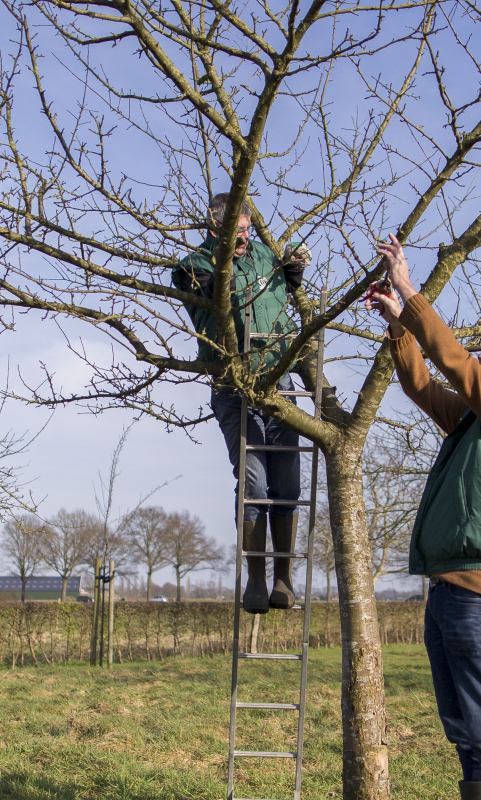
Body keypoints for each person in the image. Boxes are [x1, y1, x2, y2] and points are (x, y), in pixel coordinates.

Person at [365, 233, 481, 800]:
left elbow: (451, 363)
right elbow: (421, 384)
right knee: (466, 735)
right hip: (448, 592)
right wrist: (398, 325)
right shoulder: (478, 422)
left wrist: (408, 288)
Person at [172, 192, 309, 614]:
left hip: (278, 384)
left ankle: (284, 579)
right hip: (234, 387)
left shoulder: (265, 256)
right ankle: (256, 580)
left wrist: (292, 272)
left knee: (288, 484)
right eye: (237, 233)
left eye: (248, 231)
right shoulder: (194, 265)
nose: (244, 240)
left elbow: (283, 307)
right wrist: (221, 273)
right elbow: (211, 291)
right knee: (252, 485)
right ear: (216, 230)